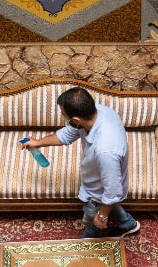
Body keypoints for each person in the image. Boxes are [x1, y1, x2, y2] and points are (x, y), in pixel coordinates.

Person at [19, 86, 141, 239]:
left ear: (76, 119)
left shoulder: (106, 150)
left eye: (65, 117)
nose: (65, 119)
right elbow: (67, 134)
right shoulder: (99, 111)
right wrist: (37, 143)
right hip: (100, 176)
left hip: (99, 192)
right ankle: (129, 225)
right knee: (112, 207)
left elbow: (112, 191)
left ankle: (89, 239)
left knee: (92, 218)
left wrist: (102, 216)